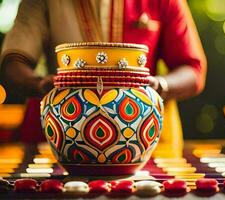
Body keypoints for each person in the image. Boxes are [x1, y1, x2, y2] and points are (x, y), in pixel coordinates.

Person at [0, 0, 207, 149]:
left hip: (145, 141)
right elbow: (13, 63)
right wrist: (42, 85)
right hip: (59, 139)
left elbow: (192, 68)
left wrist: (158, 86)